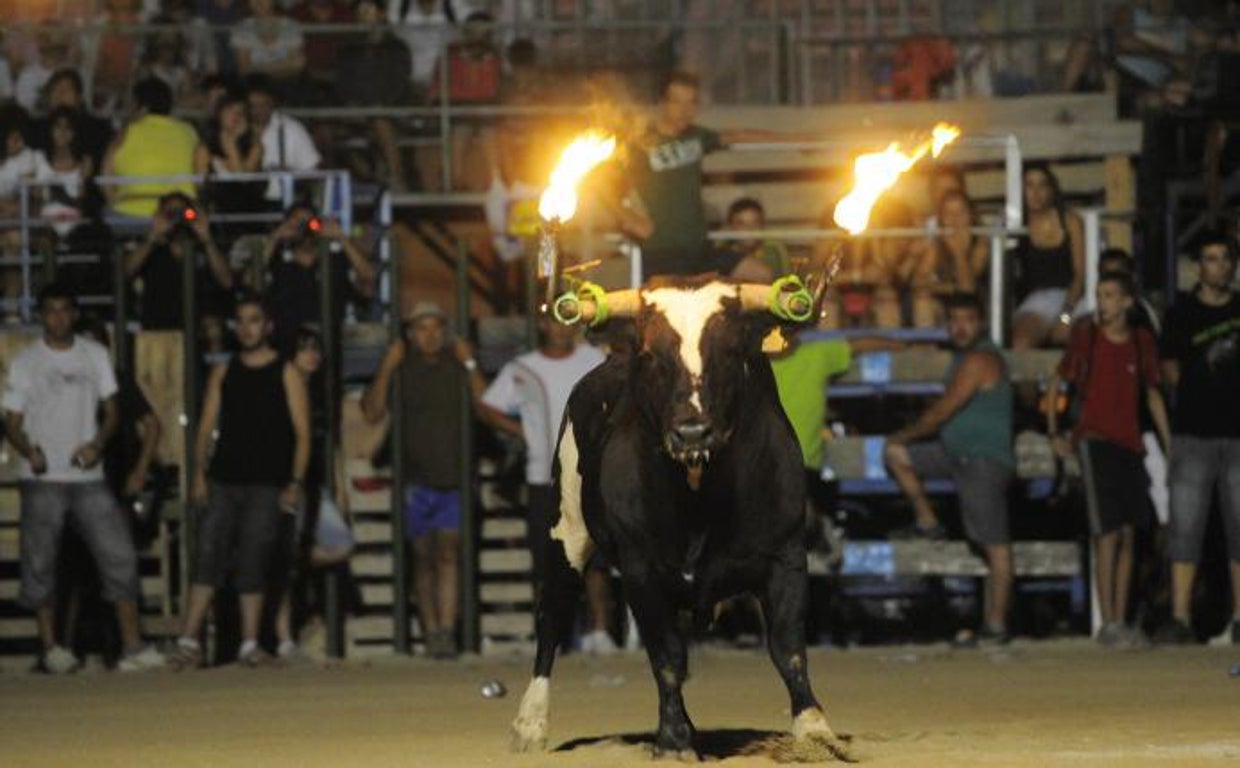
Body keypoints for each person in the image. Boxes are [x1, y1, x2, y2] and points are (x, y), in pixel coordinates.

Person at [1, 283, 164, 673]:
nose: (58, 317)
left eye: (64, 310)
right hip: (42, 477)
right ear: (42, 315)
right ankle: (52, 647)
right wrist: (29, 450)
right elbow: (11, 422)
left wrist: (97, 444)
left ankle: (132, 646)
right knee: (40, 561)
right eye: (51, 310)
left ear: (73, 314)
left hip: (88, 475)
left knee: (119, 555)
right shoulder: (26, 362)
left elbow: (112, 412)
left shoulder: (95, 355)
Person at [167, 294, 311, 668]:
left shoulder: (286, 371)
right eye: (241, 321)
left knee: (254, 560)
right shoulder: (224, 371)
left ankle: (249, 644)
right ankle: (188, 640)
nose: (246, 328)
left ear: (268, 327)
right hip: (224, 480)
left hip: (268, 483)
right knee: (208, 557)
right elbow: (205, 428)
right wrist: (199, 473)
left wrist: (294, 481)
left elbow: (303, 433)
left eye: (254, 320)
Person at [883, 293, 1016, 644]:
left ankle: (997, 624)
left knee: (995, 543)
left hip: (982, 459)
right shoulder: (961, 359)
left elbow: (944, 411)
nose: (960, 327)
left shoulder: (980, 358)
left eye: (968, 320)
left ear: (981, 323)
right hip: (954, 455)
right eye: (954, 320)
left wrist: (906, 432)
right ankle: (927, 521)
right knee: (896, 453)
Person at [1048, 271, 1171, 647]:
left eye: (1111, 296)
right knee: (1106, 534)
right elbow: (1058, 381)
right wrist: (1055, 432)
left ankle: (1121, 616)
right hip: (1096, 440)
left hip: (1130, 444)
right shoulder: (1086, 335)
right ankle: (1109, 621)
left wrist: (1170, 444)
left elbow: (1152, 394)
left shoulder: (1140, 341)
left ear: (1128, 302)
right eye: (1100, 295)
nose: (1103, 303)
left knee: (1131, 533)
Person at [478, 316, 612, 653]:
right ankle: (556, 635)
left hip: (589, 474)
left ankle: (600, 631)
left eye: (567, 322)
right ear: (542, 326)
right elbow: (488, 406)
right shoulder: (523, 368)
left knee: (595, 558)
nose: (561, 329)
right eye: (554, 323)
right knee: (549, 560)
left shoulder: (593, 360)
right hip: (544, 476)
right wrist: (522, 432)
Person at [361, 302, 485, 659]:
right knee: (422, 557)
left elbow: (486, 403)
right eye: (421, 329)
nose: (429, 336)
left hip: (453, 477)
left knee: (448, 554)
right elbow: (371, 412)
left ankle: (445, 629)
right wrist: (387, 365)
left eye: (435, 328)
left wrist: (470, 361)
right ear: (411, 335)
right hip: (415, 480)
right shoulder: (401, 370)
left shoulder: (457, 367)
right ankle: (431, 630)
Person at [619, 71, 805, 280]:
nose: (685, 111)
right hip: (662, 250)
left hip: (699, 248)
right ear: (663, 103)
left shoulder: (696, 136)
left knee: (761, 273)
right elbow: (598, 180)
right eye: (677, 102)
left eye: (691, 103)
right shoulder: (642, 143)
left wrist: (796, 140)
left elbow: (738, 135)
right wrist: (627, 217)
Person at [1157, 232, 1240, 645]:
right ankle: (1180, 617)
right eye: (1211, 259)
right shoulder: (1182, 312)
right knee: (1185, 527)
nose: (1220, 267)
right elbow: (1169, 367)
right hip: (1193, 434)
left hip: (1238, 436)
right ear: (1199, 266)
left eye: (1226, 259)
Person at [125, 192, 234, 353]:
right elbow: (125, 273)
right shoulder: (151, 247)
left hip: (200, 332)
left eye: (183, 212)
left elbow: (227, 281)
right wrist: (153, 236)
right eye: (170, 214)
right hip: (159, 329)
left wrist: (207, 238)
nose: (178, 219)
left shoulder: (205, 246)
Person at [261, 202, 376, 354]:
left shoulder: (335, 260)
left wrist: (342, 238)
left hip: (326, 344)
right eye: (297, 223)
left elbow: (368, 277)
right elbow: (250, 280)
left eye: (309, 222)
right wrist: (275, 238)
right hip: (286, 343)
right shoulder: (277, 261)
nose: (304, 229)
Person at [335, 0, 414, 192]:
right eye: (360, 12)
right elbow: (343, 82)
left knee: (380, 120)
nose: (363, 16)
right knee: (334, 133)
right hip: (357, 111)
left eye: (368, 10)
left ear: (382, 14)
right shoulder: (349, 49)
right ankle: (372, 182)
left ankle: (396, 178)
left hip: (391, 110)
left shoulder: (397, 47)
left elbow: (399, 83)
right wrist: (352, 104)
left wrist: (378, 106)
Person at [1011, 163, 1086, 349]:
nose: (1035, 192)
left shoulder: (1070, 221)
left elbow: (1080, 276)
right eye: (1029, 185)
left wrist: (1065, 317)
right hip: (1038, 301)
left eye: (1042, 185)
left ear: (1051, 189)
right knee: (1021, 344)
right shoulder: (1016, 224)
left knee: (1081, 340)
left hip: (1074, 299)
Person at [102, 77, 200, 219]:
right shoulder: (188, 131)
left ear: (141, 106)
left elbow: (106, 174)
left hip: (131, 213)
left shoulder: (127, 131)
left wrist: (114, 201)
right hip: (181, 213)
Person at [907, 189, 988, 328]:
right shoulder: (935, 244)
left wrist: (959, 254)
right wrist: (947, 288)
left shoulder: (981, 242)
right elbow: (918, 282)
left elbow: (967, 290)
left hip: (975, 306)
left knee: (962, 310)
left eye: (961, 212)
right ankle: (927, 348)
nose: (955, 218)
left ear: (971, 216)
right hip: (943, 305)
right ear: (941, 218)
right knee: (922, 301)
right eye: (948, 213)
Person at [246, 75, 321, 203]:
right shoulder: (235, 129)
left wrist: (291, 176)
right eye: (253, 106)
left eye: (263, 104)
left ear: (273, 102)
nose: (257, 111)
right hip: (245, 204)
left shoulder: (291, 128)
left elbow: (313, 170)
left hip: (284, 204)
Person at [31, 69, 115, 168]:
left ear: (79, 98)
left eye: (66, 90)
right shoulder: (36, 128)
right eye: (54, 89)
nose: (59, 94)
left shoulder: (99, 129)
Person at [231, 0, 307, 90]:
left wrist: (257, 67)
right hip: (254, 86)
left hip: (286, 84)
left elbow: (297, 64)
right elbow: (244, 68)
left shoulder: (290, 26)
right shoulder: (242, 28)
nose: (259, 2)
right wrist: (282, 65)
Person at [721, 197, 791, 282]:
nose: (749, 228)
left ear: (762, 225)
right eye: (741, 223)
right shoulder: (723, 253)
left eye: (755, 222)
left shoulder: (774, 250)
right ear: (731, 227)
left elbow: (787, 282)